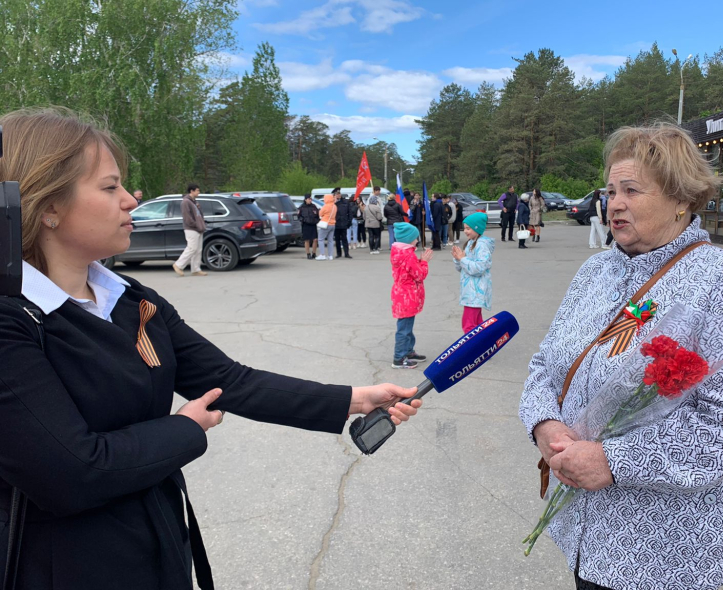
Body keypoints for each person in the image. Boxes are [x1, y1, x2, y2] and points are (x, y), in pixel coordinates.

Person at [0, 108, 422, 590]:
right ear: (46, 205)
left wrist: (353, 399)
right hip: (67, 568)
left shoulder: (132, 299)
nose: (131, 199)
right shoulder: (12, 320)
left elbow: (231, 380)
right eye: (110, 187)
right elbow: (73, 472)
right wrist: (183, 429)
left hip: (158, 544)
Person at [519, 121, 723, 590]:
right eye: (611, 190)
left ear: (682, 198)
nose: (613, 203)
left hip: (662, 554)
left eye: (632, 190)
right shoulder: (594, 270)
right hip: (586, 535)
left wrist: (615, 461)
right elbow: (545, 364)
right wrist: (545, 424)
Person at [390, 223, 433, 369]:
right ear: (409, 239)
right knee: (404, 329)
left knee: (407, 327)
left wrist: (420, 261)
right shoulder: (408, 255)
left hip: (402, 295)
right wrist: (425, 262)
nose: (417, 240)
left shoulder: (399, 253)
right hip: (407, 297)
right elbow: (419, 275)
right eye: (415, 238)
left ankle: (408, 351)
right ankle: (399, 358)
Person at [451, 212, 494, 334]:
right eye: (464, 228)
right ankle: (483, 344)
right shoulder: (470, 243)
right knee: (477, 323)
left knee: (469, 324)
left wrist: (462, 259)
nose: (465, 231)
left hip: (476, 291)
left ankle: (471, 349)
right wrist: (457, 258)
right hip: (469, 291)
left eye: (468, 228)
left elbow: (479, 268)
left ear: (477, 228)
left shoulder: (482, 246)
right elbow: (462, 268)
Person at [173, 183, 207, 277]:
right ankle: (178, 265)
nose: (198, 192)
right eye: (197, 190)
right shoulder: (185, 202)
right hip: (191, 229)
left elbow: (199, 214)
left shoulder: (194, 201)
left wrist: (202, 224)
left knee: (198, 249)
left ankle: (196, 269)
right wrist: (196, 225)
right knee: (192, 248)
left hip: (199, 228)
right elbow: (187, 217)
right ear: (191, 191)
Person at [297, 194, 319, 259]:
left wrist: (316, 221)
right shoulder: (302, 207)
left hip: (313, 225)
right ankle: (308, 253)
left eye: (310, 199)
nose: (310, 200)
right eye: (309, 199)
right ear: (305, 199)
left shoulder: (314, 206)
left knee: (315, 239)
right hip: (306, 225)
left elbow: (317, 215)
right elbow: (298, 216)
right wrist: (303, 220)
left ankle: (314, 253)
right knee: (307, 240)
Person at [332, 188, 352, 259]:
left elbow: (350, 212)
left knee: (344, 239)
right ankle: (338, 253)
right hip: (336, 223)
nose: (338, 195)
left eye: (339, 193)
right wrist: (334, 202)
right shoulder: (333, 203)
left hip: (344, 223)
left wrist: (349, 221)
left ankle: (346, 253)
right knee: (337, 239)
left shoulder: (346, 202)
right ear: (334, 195)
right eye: (337, 194)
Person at [316, 193, 336, 261]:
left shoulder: (326, 206)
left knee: (320, 239)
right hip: (333, 224)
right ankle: (330, 256)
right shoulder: (334, 206)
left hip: (325, 224)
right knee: (330, 240)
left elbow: (320, 214)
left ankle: (322, 255)